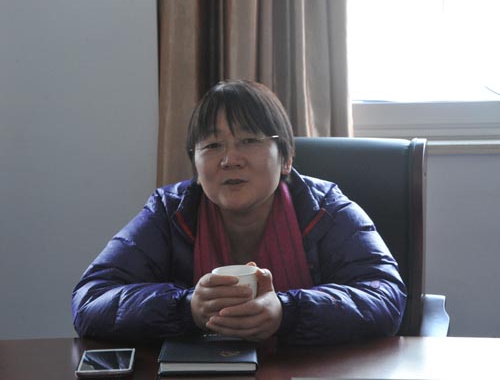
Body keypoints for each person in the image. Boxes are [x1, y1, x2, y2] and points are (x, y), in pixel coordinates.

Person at [72, 80, 406, 344]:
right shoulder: (168, 212)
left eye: (249, 141)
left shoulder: (325, 208)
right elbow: (91, 299)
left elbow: (386, 295)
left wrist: (286, 312)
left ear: (286, 158)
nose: (230, 159)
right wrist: (186, 307)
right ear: (195, 165)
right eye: (212, 145)